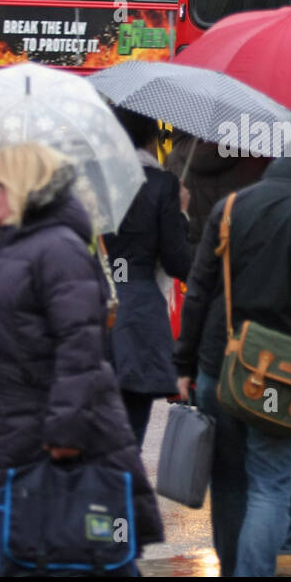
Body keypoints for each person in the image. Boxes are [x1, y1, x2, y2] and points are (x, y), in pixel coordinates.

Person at [0, 143, 163, 576]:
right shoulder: (11, 248)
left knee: (74, 553)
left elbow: (79, 348)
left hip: (54, 439)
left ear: (25, 187)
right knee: (40, 551)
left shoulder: (57, 250)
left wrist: (64, 433)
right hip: (12, 433)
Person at [176, 145, 291, 577]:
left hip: (218, 368)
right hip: (279, 380)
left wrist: (183, 364)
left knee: (229, 483)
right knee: (270, 484)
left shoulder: (231, 206)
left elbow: (198, 290)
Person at [102, 108, 193, 447]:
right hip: (139, 310)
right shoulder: (161, 184)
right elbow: (176, 261)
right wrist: (180, 213)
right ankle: (121, 494)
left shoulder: (89, 181)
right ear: (151, 136)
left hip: (88, 306)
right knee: (130, 437)